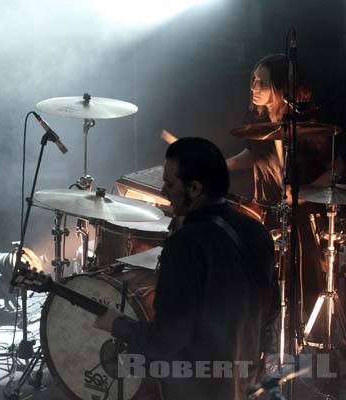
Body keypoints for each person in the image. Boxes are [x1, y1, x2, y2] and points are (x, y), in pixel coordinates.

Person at [94, 137, 280, 400]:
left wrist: (119, 325)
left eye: (170, 184)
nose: (163, 191)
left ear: (194, 188)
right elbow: (272, 308)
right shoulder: (257, 231)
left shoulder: (184, 244)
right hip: (243, 378)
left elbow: (166, 340)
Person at [226, 53, 332, 316]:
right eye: (253, 80)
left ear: (282, 86)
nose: (254, 87)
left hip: (301, 216)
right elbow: (256, 154)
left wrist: (306, 193)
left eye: (262, 82)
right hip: (266, 210)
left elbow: (336, 167)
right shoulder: (259, 122)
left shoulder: (305, 125)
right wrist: (222, 164)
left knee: (301, 286)